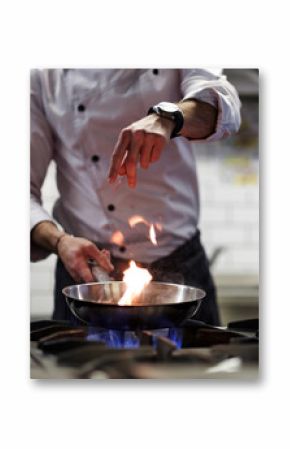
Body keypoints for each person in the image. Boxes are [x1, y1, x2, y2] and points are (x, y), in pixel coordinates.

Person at [30, 69, 241, 325]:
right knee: (75, 365)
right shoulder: (43, 75)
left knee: (199, 365)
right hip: (87, 274)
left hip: (180, 266)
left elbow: (224, 103)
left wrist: (168, 117)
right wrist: (60, 241)